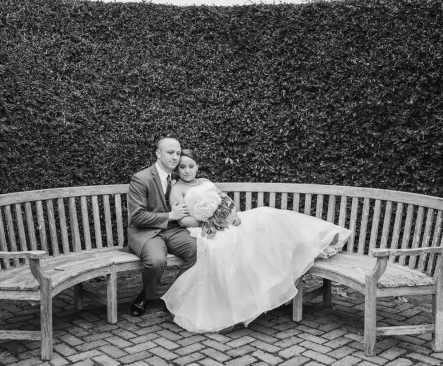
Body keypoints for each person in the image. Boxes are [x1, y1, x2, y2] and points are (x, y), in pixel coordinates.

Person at [162, 149, 352, 333]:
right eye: (182, 167)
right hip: (207, 230)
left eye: (191, 166)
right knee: (227, 248)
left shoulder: (205, 181)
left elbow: (227, 201)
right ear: (177, 169)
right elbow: (184, 220)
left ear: (197, 166)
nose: (187, 171)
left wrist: (233, 215)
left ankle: (320, 238)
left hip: (228, 222)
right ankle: (235, 308)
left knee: (265, 215)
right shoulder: (177, 190)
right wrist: (215, 220)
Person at [127, 138, 197, 317]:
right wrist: (170, 216)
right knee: (156, 261)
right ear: (158, 153)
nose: (175, 157)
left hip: (172, 230)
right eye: (170, 152)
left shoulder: (178, 177)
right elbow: (137, 215)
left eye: (178, 153)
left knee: (198, 250)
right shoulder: (141, 178)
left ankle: (174, 295)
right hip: (146, 232)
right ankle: (147, 295)